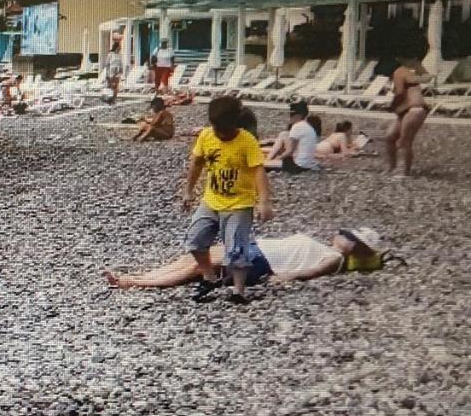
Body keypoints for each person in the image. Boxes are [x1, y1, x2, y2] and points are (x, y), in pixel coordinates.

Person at [180, 95, 274, 304]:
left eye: (225, 129)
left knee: (236, 249)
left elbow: (259, 171)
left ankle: (238, 292)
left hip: (239, 205)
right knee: (195, 240)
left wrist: (264, 201)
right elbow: (196, 163)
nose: (220, 134)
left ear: (235, 123)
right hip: (211, 201)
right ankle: (210, 278)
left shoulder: (247, 141)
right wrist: (188, 191)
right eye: (217, 129)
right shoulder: (206, 136)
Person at [103, 227, 386, 290]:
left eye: (348, 237)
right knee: (192, 257)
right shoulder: (330, 250)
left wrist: (286, 277)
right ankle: (143, 276)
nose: (341, 235)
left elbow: (312, 272)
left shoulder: (334, 258)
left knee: (195, 267)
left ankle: (136, 282)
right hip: (255, 249)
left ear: (353, 247)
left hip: (260, 260)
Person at [380, 57, 428, 177]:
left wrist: (391, 106)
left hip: (415, 109)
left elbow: (400, 93)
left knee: (405, 141)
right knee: (389, 137)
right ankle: (391, 167)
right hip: (406, 111)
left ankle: (404, 172)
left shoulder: (398, 72)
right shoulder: (405, 72)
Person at [262, 101, 320, 172]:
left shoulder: (297, 126)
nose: (290, 117)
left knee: (283, 135)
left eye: (292, 115)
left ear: (298, 115)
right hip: (307, 165)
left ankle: (268, 159)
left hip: (297, 166)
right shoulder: (309, 127)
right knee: (284, 134)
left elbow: (290, 151)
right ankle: (269, 158)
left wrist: (278, 159)